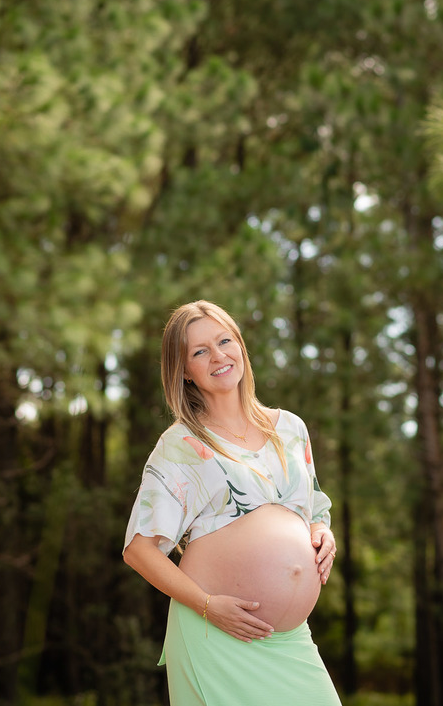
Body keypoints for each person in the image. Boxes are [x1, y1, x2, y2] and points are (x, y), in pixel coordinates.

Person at [123, 300, 341, 705]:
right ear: (184, 371)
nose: (218, 355)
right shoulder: (180, 445)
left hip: (290, 639)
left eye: (225, 341)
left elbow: (313, 507)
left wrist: (322, 531)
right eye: (200, 351)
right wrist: (208, 607)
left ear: (241, 346)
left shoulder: (291, 428)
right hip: (217, 635)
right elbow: (140, 550)